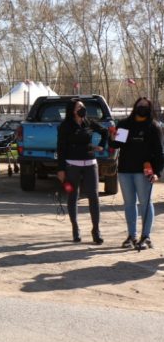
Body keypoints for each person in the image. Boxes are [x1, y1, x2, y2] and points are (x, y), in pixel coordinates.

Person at [111, 97, 163, 250]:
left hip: (144, 172)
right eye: (140, 105)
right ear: (135, 106)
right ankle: (132, 236)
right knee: (129, 204)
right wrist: (111, 135)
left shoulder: (153, 127)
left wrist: (157, 173)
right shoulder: (126, 125)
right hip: (125, 171)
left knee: (145, 204)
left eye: (146, 106)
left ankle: (146, 236)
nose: (142, 108)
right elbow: (116, 144)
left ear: (150, 108)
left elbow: (160, 153)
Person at [56, 98, 109, 244]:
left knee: (94, 196)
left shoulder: (89, 122)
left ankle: (96, 230)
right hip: (72, 165)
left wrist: (101, 146)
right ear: (72, 110)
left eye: (83, 106)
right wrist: (60, 169)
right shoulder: (65, 126)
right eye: (79, 107)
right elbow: (61, 148)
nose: (82, 109)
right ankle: (75, 229)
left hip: (91, 164)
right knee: (73, 196)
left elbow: (104, 132)